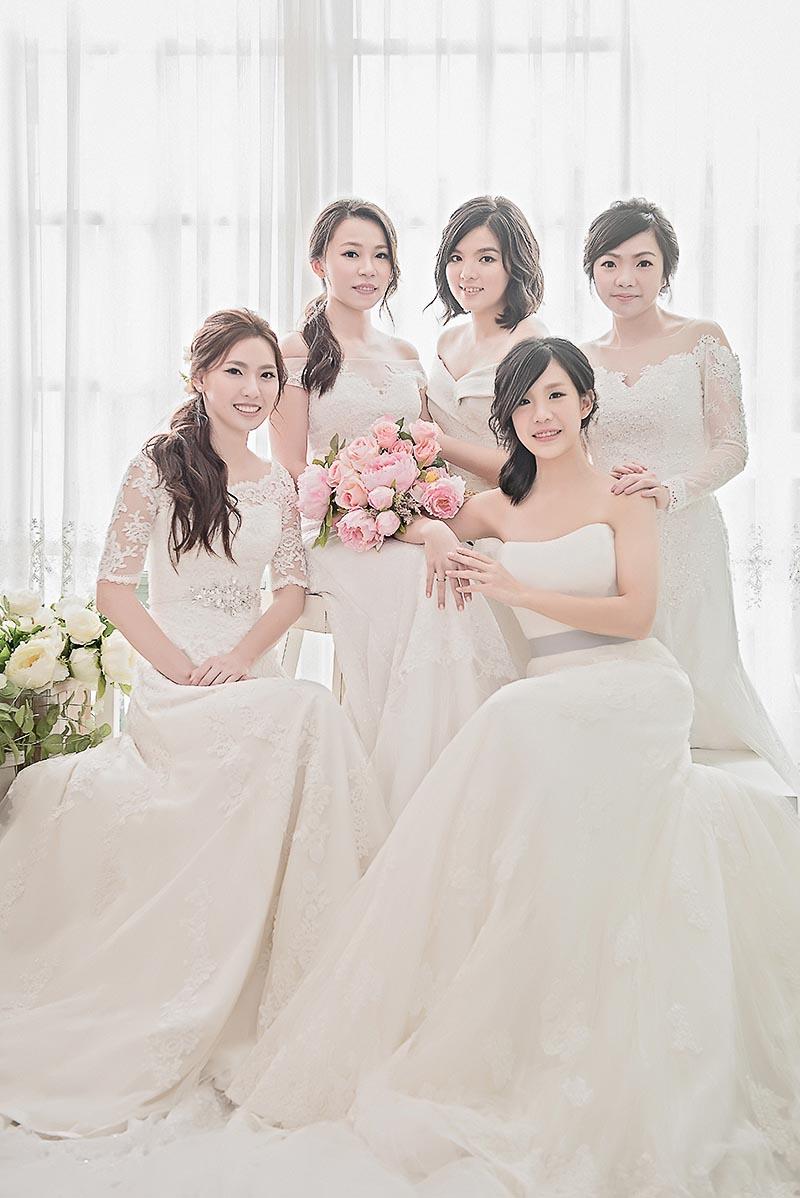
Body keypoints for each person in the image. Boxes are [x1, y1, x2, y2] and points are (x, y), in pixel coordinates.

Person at [227, 338, 800, 1195]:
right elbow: (391, 518)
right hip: (550, 694)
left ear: (586, 404)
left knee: (510, 718)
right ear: (509, 419)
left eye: (557, 396)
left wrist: (516, 591)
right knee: (514, 726)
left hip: (634, 684)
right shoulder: (498, 507)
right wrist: (432, 532)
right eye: (525, 402)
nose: (542, 414)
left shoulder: (625, 495)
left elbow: (636, 615)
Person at [0, 308, 387, 1138]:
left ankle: (318, 971)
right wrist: (178, 666)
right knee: (309, 712)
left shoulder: (277, 484)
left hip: (244, 671)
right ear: (201, 376)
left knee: (306, 712)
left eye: (267, 376)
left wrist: (242, 657)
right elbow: (113, 588)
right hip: (174, 676)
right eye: (236, 372)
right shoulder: (159, 465)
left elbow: (290, 590)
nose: (253, 390)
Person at [269, 198, 516, 819]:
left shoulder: (406, 354)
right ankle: (396, 778)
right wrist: (382, 513)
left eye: (380, 256)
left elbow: (426, 451)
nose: (368, 269)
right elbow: (293, 467)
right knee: (422, 576)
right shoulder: (293, 352)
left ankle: (455, 771)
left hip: (404, 518)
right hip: (333, 527)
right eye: (351, 254)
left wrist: (416, 513)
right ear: (319, 263)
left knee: (452, 570)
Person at [580, 196, 799, 792]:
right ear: (592, 270)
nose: (625, 278)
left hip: (689, 530)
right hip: (615, 540)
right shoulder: (582, 358)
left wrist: (671, 490)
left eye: (643, 263)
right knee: (628, 675)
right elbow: (577, 457)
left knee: (699, 678)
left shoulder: (702, 339)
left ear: (666, 270)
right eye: (609, 263)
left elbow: (733, 447)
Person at [424, 194, 548, 492]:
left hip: (506, 508)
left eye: (486, 259)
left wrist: (436, 444)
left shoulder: (529, 340)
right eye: (456, 258)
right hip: (440, 506)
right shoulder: (447, 340)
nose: (467, 274)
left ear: (515, 264)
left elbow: (529, 468)